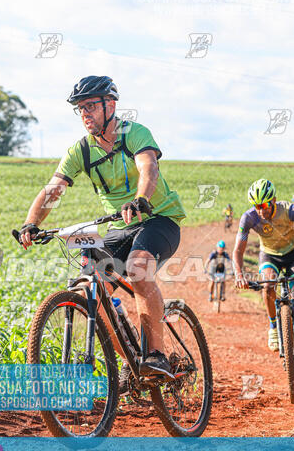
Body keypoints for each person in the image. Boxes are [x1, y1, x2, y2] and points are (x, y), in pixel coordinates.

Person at [18, 75, 186, 395]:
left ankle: (157, 355)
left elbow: (149, 168)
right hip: (119, 227)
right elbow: (54, 189)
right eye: (80, 109)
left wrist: (142, 199)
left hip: (158, 218)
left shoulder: (133, 133)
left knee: (138, 267)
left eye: (91, 106)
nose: (85, 114)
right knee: (93, 290)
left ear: (111, 105)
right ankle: (133, 362)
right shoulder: (80, 151)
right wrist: (31, 223)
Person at [233, 178, 294, 382]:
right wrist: (239, 274)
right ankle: (273, 326)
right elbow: (238, 250)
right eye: (256, 205)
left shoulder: (290, 210)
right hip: (269, 255)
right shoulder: (249, 218)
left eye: (264, 205)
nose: (260, 210)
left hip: (293, 255)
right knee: (268, 285)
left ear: (273, 200)